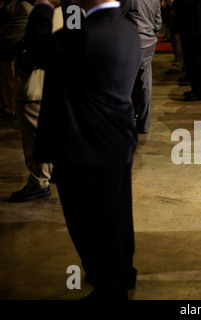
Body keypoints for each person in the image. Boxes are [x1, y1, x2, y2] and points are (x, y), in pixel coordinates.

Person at [25, 0, 141, 299]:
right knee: (115, 217)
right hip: (116, 138)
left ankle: (110, 291)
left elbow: (41, 49)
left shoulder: (85, 33)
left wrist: (42, 8)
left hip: (85, 145)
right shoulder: (127, 28)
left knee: (90, 226)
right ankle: (122, 274)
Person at [1, 0, 61, 202]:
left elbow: (5, 38)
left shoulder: (26, 9)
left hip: (33, 84)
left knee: (34, 136)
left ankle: (39, 181)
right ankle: (51, 172)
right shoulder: (71, 8)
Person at [121, 0, 162, 134]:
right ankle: (143, 125)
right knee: (145, 85)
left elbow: (118, 17)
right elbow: (158, 22)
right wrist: (153, 37)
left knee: (125, 86)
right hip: (149, 42)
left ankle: (122, 125)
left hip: (133, 43)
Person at [174, 0, 201, 102]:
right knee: (197, 59)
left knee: (195, 60)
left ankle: (199, 91)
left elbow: (187, 2)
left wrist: (174, 3)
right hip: (199, 23)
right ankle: (197, 89)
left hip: (195, 25)